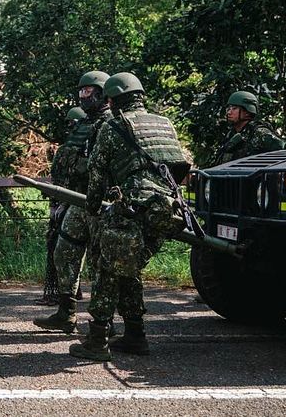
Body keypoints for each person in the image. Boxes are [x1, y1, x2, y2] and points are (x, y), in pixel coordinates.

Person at [69, 72, 190, 362]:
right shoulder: (164, 124)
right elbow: (180, 166)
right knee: (128, 269)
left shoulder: (113, 125)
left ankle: (97, 341)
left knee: (108, 272)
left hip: (132, 209)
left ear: (113, 99)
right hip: (166, 211)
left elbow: (97, 173)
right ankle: (135, 335)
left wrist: (94, 208)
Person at [34, 71, 110, 330]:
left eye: (87, 91)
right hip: (78, 200)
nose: (82, 96)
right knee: (63, 252)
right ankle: (66, 313)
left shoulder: (111, 124)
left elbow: (106, 165)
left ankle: (104, 324)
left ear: (102, 93)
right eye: (81, 91)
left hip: (101, 203)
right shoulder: (84, 124)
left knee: (102, 264)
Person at [36, 105, 87, 305]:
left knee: (62, 248)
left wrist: (56, 208)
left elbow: (59, 181)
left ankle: (63, 294)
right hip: (78, 203)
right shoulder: (80, 149)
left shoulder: (67, 151)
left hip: (69, 204)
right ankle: (73, 291)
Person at [211, 91, 285, 165]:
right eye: (228, 108)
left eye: (234, 108)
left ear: (247, 112)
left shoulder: (260, 133)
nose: (229, 112)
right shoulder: (231, 134)